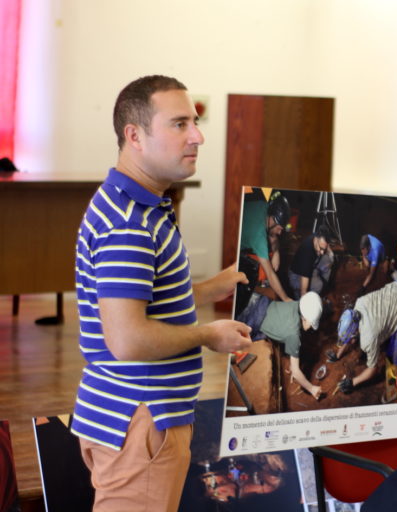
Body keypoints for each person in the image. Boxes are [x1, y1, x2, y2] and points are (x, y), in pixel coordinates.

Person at [70, 75, 253, 512]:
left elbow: (144, 298)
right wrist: (208, 335)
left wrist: (213, 287)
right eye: (179, 124)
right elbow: (128, 338)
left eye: (194, 122)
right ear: (134, 136)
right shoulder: (129, 225)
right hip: (141, 419)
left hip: (129, 415)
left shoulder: (136, 206)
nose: (197, 137)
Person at [329, 280, 397, 394]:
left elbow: (373, 369)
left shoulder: (368, 338)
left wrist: (352, 382)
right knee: (389, 347)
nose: (351, 342)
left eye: (350, 340)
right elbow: (349, 332)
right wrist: (338, 355)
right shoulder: (358, 304)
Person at [236, 291, 324, 399]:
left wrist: (293, 364)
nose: (311, 327)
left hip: (258, 299)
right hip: (250, 316)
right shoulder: (294, 335)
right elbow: (296, 372)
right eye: (312, 323)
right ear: (305, 318)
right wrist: (312, 389)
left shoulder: (296, 304)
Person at [237, 190, 293, 313]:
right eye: (279, 228)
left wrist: (276, 252)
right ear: (272, 219)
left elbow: (273, 236)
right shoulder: (258, 236)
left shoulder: (266, 207)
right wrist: (285, 298)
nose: (280, 232)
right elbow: (270, 274)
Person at [287, 224, 335, 299]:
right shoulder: (307, 252)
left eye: (324, 249)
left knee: (328, 258)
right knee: (318, 285)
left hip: (308, 267)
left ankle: (319, 277)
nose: (322, 252)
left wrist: (330, 253)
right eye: (321, 248)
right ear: (316, 239)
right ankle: (300, 297)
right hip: (296, 277)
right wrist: (303, 299)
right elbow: (304, 288)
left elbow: (326, 245)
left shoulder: (318, 236)